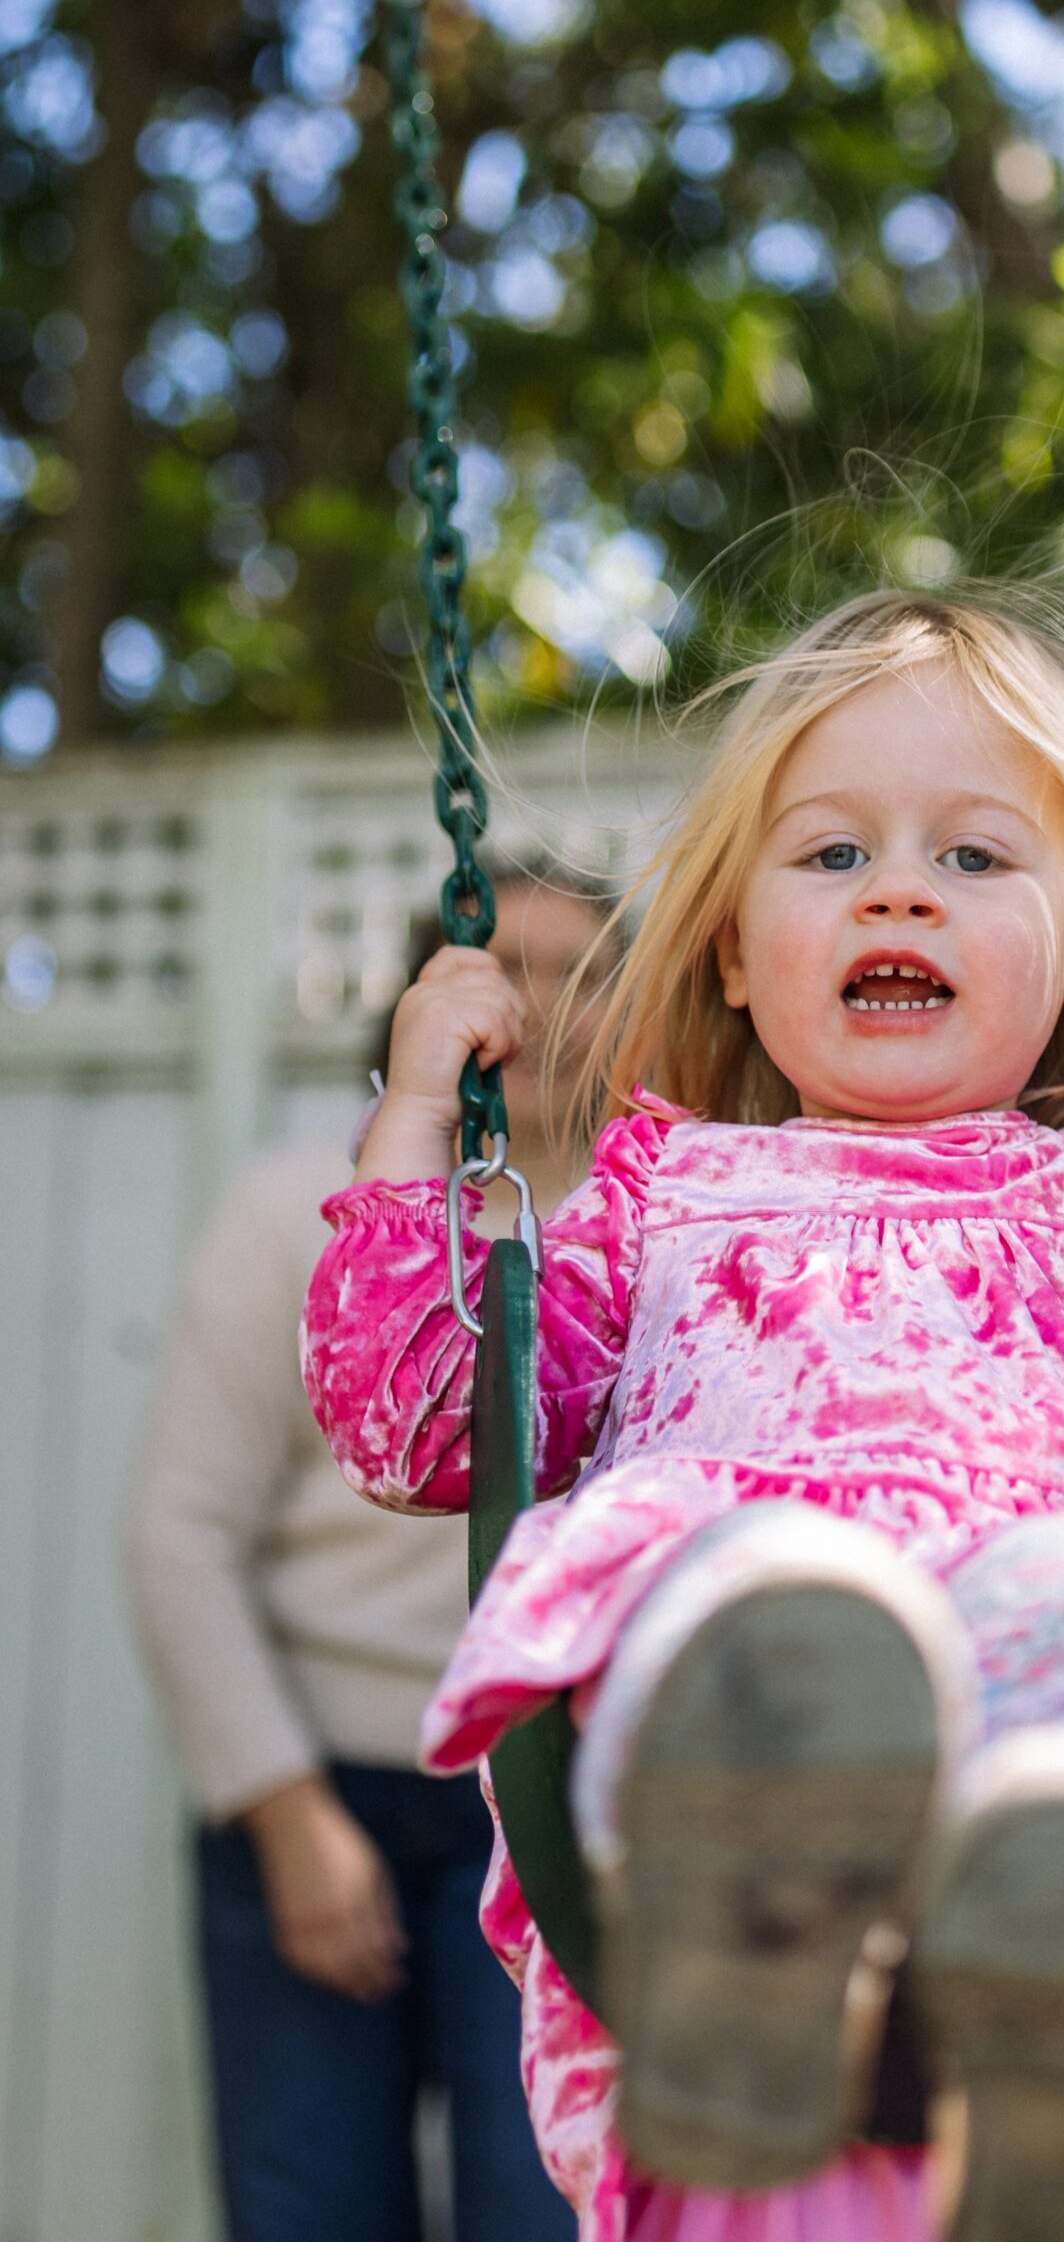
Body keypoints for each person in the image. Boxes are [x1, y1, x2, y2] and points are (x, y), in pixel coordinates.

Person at [300, 592, 1064, 2242]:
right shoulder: (654, 1206)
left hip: (1039, 1681)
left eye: (976, 858)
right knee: (743, 1588)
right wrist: (409, 1119)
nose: (900, 887)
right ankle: (761, 1946)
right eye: (832, 858)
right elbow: (417, 1418)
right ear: (737, 955)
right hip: (743, 1699)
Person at [130, 865, 613, 2242]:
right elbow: (181, 1534)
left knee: (547, 2208)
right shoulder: (301, 1213)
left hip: (553, 1804)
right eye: (506, 965)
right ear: (431, 999)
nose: (542, 1006)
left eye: (580, 972)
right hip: (319, 1784)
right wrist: (286, 1817)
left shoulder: (646, 1239)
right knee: (310, 2208)